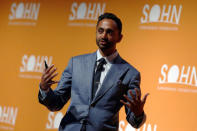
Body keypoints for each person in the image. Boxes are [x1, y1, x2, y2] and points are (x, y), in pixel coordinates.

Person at [38, 12, 149, 131]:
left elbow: (134, 121)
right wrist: (44, 89)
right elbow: (56, 103)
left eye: (109, 32)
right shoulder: (76, 63)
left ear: (120, 37)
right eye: (100, 31)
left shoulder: (130, 73)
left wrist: (138, 113)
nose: (104, 36)